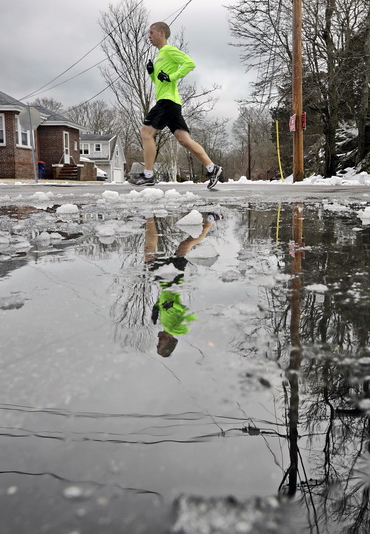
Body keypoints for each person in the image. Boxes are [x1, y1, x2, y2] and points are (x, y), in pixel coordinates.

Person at [129, 21, 222, 189]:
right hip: (171, 102)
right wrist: (152, 73)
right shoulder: (160, 56)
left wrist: (172, 77)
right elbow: (160, 82)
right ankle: (211, 167)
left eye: (151, 33)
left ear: (161, 33)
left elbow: (189, 63)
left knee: (146, 132)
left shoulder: (168, 50)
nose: (149, 36)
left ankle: (148, 175)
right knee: (184, 140)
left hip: (167, 101)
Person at [145, 214, 217, 357]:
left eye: (157, 344)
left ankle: (149, 216)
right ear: (169, 342)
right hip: (173, 281)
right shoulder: (178, 330)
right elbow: (189, 315)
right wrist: (173, 305)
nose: (158, 342)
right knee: (178, 248)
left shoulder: (166, 326)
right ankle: (209, 222)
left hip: (164, 283)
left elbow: (165, 301)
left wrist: (157, 307)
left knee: (182, 247)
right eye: (160, 345)